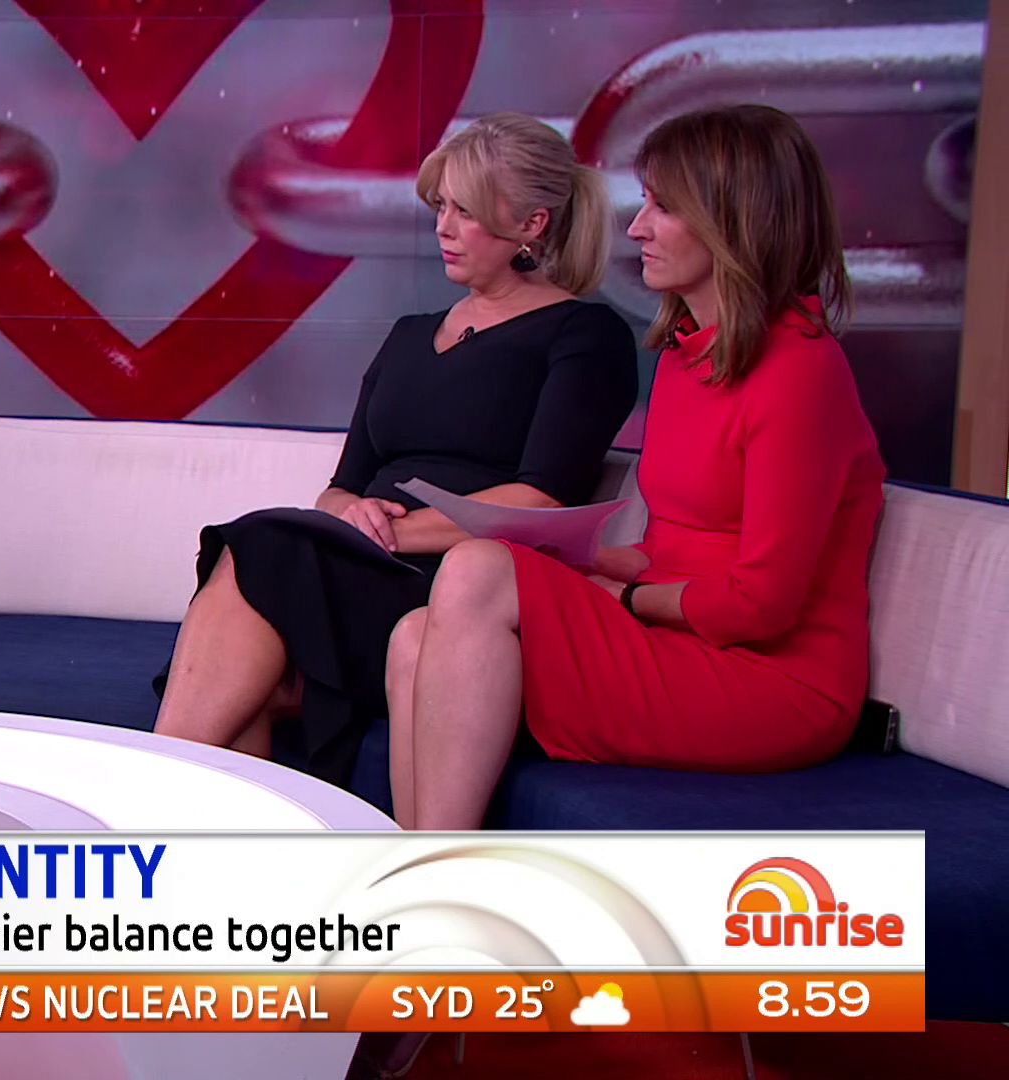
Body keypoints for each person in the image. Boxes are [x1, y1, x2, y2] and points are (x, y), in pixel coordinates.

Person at [386, 104, 886, 830]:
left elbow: (763, 604)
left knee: (475, 569)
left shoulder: (802, 372)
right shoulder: (686, 356)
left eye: (663, 208)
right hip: (681, 635)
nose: (637, 229)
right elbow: (679, 546)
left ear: (734, 221)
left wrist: (621, 598)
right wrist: (591, 562)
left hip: (776, 681)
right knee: (412, 635)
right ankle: (423, 868)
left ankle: (435, 876)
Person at [154, 114, 637, 786]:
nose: (443, 227)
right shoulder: (409, 334)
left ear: (532, 224)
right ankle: (184, 799)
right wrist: (350, 517)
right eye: (441, 206)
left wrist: (386, 535)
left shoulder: (584, 335)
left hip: (459, 591)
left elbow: (542, 499)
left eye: (465, 211)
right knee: (258, 577)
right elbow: (340, 487)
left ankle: (157, 788)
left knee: (261, 547)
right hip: (354, 565)